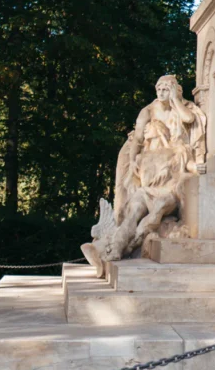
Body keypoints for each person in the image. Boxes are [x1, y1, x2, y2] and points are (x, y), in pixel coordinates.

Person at [81, 75, 205, 272]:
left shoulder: (180, 148)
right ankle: (113, 249)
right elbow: (138, 138)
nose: (161, 93)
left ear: (174, 90)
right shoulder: (148, 112)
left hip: (170, 189)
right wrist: (131, 160)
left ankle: (123, 247)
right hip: (150, 186)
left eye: (166, 89)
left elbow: (189, 119)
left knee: (155, 213)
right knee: (134, 212)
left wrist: (174, 100)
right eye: (159, 90)